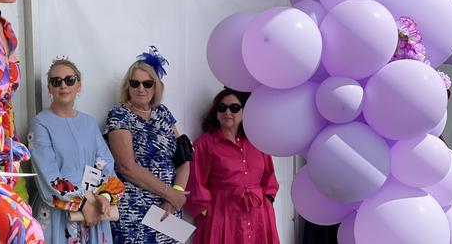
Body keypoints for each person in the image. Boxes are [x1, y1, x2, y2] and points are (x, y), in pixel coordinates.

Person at [28, 58, 124, 243]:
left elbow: (107, 164)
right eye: (56, 81)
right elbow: (48, 175)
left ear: (78, 85)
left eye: (69, 80)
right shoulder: (40, 123)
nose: (63, 85)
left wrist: (104, 197)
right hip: (59, 213)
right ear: (49, 88)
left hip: (95, 208)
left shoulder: (89, 122)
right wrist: (82, 204)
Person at [104, 47, 190, 244]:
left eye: (147, 83)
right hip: (135, 210)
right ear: (128, 86)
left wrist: (174, 195)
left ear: (156, 86)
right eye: (135, 83)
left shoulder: (163, 113)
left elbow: (183, 157)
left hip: (168, 208)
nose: (141, 89)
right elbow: (127, 167)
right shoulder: (119, 116)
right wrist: (171, 194)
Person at [185, 88, 279, 244]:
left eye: (234, 108)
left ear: (244, 112)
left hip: (258, 213)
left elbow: (269, 173)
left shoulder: (256, 140)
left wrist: (268, 197)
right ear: (216, 112)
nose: (227, 112)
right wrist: (204, 210)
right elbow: (195, 180)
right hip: (221, 213)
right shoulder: (205, 144)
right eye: (222, 108)